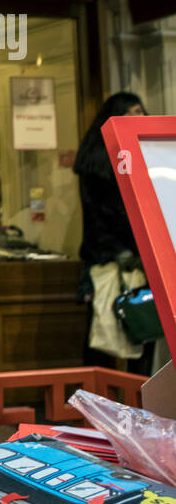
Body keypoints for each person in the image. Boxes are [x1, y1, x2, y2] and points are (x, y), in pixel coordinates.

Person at [73, 92, 151, 368]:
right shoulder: (96, 165)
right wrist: (121, 252)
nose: (138, 117)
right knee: (103, 332)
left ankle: (141, 406)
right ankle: (97, 405)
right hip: (107, 260)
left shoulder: (149, 156)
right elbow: (96, 216)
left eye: (141, 111)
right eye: (130, 111)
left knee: (143, 330)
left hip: (142, 260)